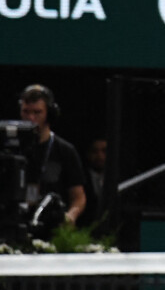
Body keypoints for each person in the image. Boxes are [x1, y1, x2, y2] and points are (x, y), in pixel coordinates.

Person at [19, 84, 86, 226]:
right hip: (16, 221)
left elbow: (78, 197)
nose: (30, 118)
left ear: (49, 114)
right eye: (26, 112)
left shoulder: (65, 150)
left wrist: (71, 216)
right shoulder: (10, 149)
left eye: (37, 112)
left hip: (51, 223)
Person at [77, 137, 107, 228]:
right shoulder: (80, 178)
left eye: (104, 151)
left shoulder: (119, 178)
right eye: (95, 151)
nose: (100, 156)